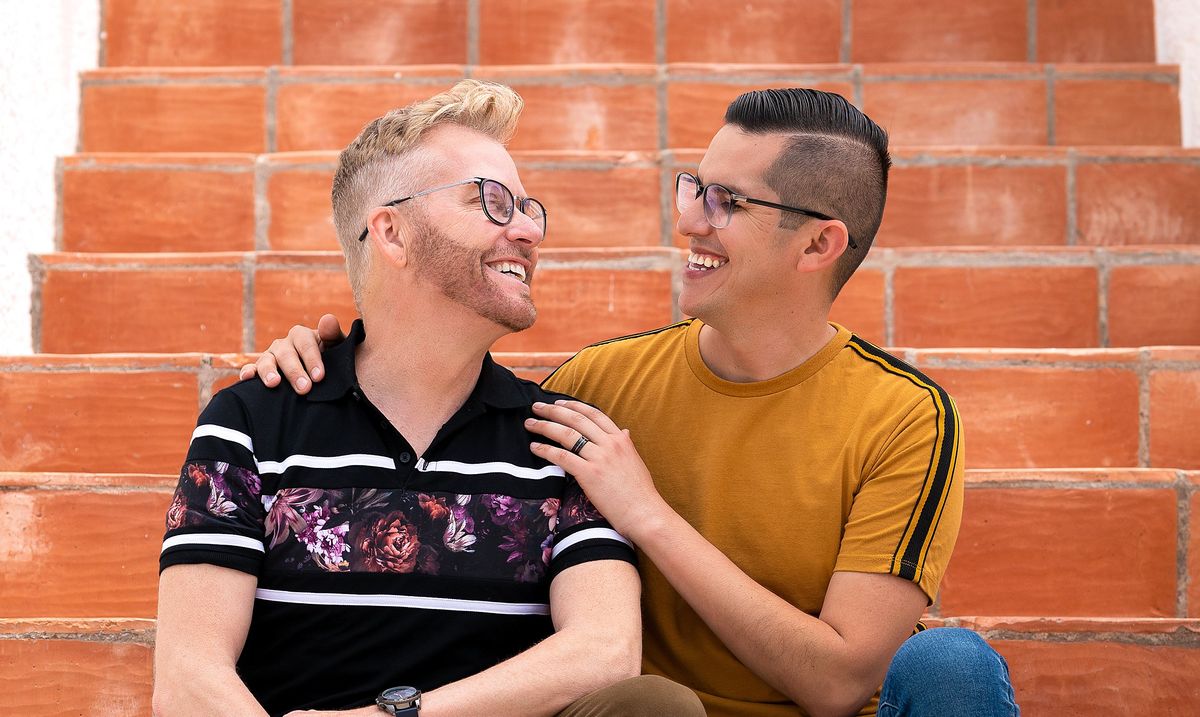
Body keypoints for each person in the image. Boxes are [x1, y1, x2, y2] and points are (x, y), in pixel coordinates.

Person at [246, 88, 1019, 716]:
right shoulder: (598, 386)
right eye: (694, 187)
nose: (687, 219)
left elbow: (839, 683)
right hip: (654, 714)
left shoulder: (904, 415)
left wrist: (647, 513)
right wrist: (338, 354)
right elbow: (440, 391)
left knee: (953, 663)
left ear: (817, 245)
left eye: (725, 201)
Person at [154, 80, 707, 717]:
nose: (528, 230)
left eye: (529, 208)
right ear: (392, 232)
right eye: (491, 202)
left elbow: (605, 651)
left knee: (654, 707)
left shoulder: (559, 442)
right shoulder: (253, 421)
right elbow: (189, 678)